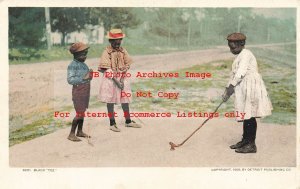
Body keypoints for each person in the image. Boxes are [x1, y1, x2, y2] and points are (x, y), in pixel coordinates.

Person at [222, 33, 273, 153]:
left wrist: (231, 87)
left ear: (242, 44)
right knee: (246, 114)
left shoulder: (246, 54)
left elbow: (240, 73)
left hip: (252, 88)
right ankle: (245, 140)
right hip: (244, 87)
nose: (231, 50)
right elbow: (234, 74)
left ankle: (251, 144)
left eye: (233, 47)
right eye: (230, 47)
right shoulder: (239, 55)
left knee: (250, 116)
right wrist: (227, 90)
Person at [98, 28, 141, 132]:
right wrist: (116, 81)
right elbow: (106, 69)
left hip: (122, 77)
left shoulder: (123, 51)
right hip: (111, 79)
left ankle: (128, 121)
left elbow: (127, 64)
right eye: (115, 43)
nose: (117, 44)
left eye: (119, 42)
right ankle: (112, 123)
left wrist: (121, 79)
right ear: (110, 41)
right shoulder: (106, 52)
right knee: (110, 100)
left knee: (125, 98)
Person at [67, 42, 93, 141]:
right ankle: (71, 134)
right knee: (79, 113)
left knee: (82, 112)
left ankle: (80, 131)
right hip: (78, 92)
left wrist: (90, 76)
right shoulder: (72, 65)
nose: (85, 56)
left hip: (86, 91)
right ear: (75, 54)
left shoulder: (84, 65)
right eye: (83, 54)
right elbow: (70, 80)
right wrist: (84, 78)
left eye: (86, 53)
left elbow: (87, 78)